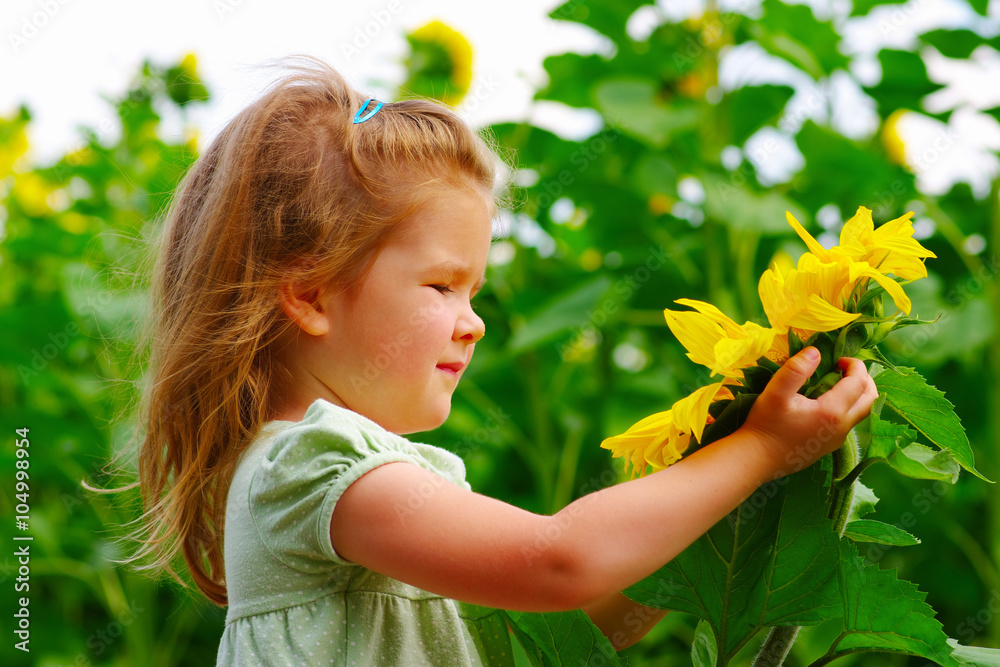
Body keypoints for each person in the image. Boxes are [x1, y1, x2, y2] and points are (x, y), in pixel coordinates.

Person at [118, 55, 878, 665]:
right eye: (444, 285)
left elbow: (577, 621)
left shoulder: (358, 480)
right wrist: (762, 448)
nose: (473, 323)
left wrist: (722, 486)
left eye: (474, 290)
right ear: (312, 294)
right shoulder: (309, 466)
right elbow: (560, 561)